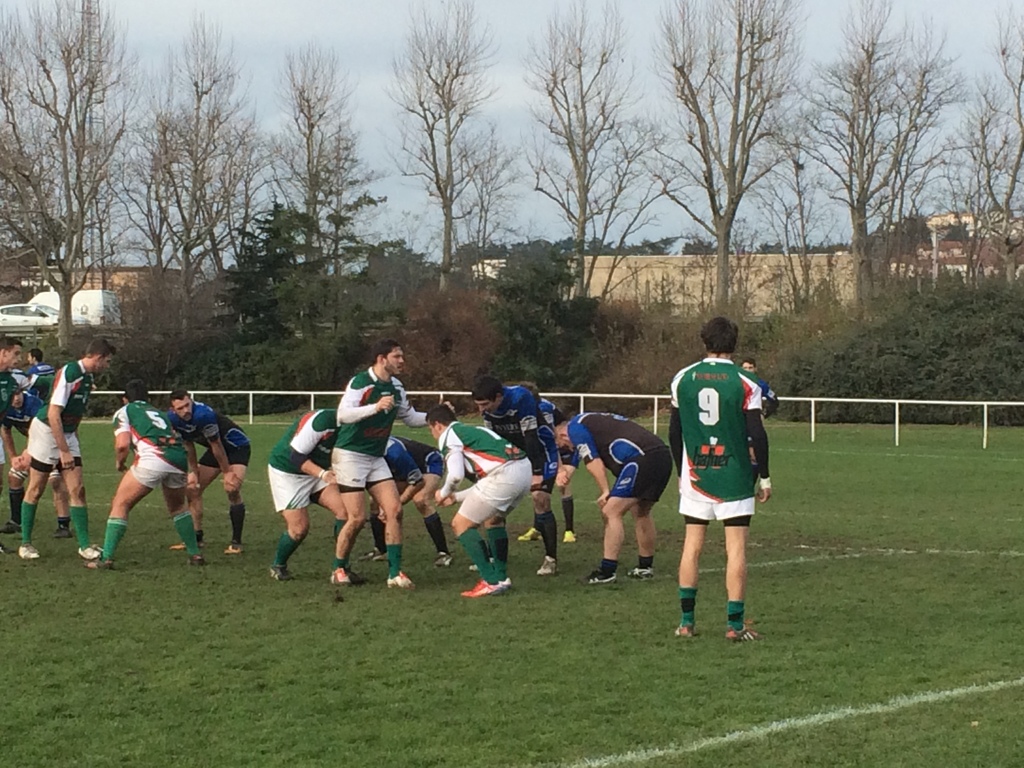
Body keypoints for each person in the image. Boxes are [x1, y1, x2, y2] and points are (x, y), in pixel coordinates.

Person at [670, 317, 772, 642]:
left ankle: (686, 623)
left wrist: (680, 472)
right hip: (734, 474)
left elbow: (674, 432)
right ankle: (734, 625)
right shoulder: (746, 381)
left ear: (705, 341)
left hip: (696, 473)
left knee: (692, 546)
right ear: (734, 343)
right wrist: (765, 476)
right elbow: (758, 433)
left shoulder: (683, 378)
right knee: (736, 549)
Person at [332, 339, 431, 589]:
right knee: (357, 518)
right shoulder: (361, 382)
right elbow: (343, 415)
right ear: (381, 359)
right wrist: (375, 408)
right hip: (350, 455)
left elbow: (410, 417)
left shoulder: (396, 387)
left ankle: (395, 573)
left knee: (394, 510)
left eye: (402, 356)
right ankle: (339, 569)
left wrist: (436, 416)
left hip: (375, 456)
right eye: (397, 356)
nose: (402, 361)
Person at [86, 380, 204, 569]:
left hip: (153, 458)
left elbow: (122, 445)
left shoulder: (125, 411)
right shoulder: (159, 413)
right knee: (178, 507)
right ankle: (195, 554)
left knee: (120, 503)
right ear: (147, 398)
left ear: (125, 399)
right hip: (178, 459)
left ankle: (106, 558)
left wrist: (120, 463)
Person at [18, 337, 114, 561]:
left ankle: (84, 546)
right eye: (107, 361)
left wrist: (72, 443)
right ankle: (25, 543)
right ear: (98, 357)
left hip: (67, 434)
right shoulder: (70, 373)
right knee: (36, 488)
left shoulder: (88, 378)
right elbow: (53, 414)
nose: (107, 366)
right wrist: (64, 451)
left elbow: (74, 414)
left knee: (77, 489)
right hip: (46, 431)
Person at [427, 404, 532, 597]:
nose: (432, 434)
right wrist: (456, 497)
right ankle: (501, 578)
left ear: (437, 425)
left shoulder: (448, 435)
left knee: (460, 525)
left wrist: (444, 492)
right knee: (493, 520)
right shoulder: (473, 430)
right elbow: (486, 482)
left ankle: (490, 581)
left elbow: (456, 475)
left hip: (504, 475)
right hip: (524, 470)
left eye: (431, 429)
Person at [553, 412, 669, 585]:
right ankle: (645, 566)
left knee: (611, 511)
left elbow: (593, 461)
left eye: (564, 445)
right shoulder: (593, 420)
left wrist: (605, 490)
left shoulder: (575, 428)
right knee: (641, 511)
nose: (570, 449)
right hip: (662, 454)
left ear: (563, 435)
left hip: (642, 458)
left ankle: (607, 571)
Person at [471, 375, 559, 576]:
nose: (481, 410)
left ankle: (551, 560)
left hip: (542, 452)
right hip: (515, 455)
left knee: (540, 498)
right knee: (494, 507)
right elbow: (495, 441)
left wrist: (537, 473)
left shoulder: (520, 397)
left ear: (498, 397)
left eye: (485, 405)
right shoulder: (488, 412)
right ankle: (496, 557)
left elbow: (531, 437)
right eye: (478, 405)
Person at [266, 409, 364, 583]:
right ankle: (278, 565)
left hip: (319, 472)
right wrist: (323, 474)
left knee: (347, 513)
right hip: (288, 472)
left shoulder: (360, 427)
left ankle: (340, 568)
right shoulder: (323, 421)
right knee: (299, 529)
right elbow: (296, 456)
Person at [166, 390, 250, 554]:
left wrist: (227, 472)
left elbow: (217, 445)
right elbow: (188, 444)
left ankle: (236, 542)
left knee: (231, 488)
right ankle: (196, 538)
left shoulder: (203, 415)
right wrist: (194, 471)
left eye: (187, 405)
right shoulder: (172, 419)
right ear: (173, 410)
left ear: (191, 401)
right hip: (215, 450)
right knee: (192, 488)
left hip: (236, 447)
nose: (186, 410)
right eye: (180, 408)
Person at [0, 389, 71, 545]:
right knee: (14, 476)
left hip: (51, 444)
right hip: (34, 447)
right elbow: (5, 430)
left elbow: (39, 429)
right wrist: (13, 457)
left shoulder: (33, 403)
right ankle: (17, 521)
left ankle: (63, 525)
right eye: (13, 395)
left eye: (18, 394)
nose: (16, 399)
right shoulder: (6, 407)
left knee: (55, 480)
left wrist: (29, 451)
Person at [370, 435, 453, 567]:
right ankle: (381, 549)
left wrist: (396, 504)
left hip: (429, 461)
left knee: (421, 500)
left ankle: (443, 553)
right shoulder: (366, 452)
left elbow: (417, 481)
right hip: (406, 467)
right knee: (374, 501)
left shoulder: (394, 452)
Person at [519, 389, 577, 544]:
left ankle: (569, 530)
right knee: (538, 489)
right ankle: (537, 528)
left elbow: (554, 434)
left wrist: (560, 467)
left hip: (564, 447)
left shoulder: (544, 408)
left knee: (563, 483)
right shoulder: (523, 411)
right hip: (547, 449)